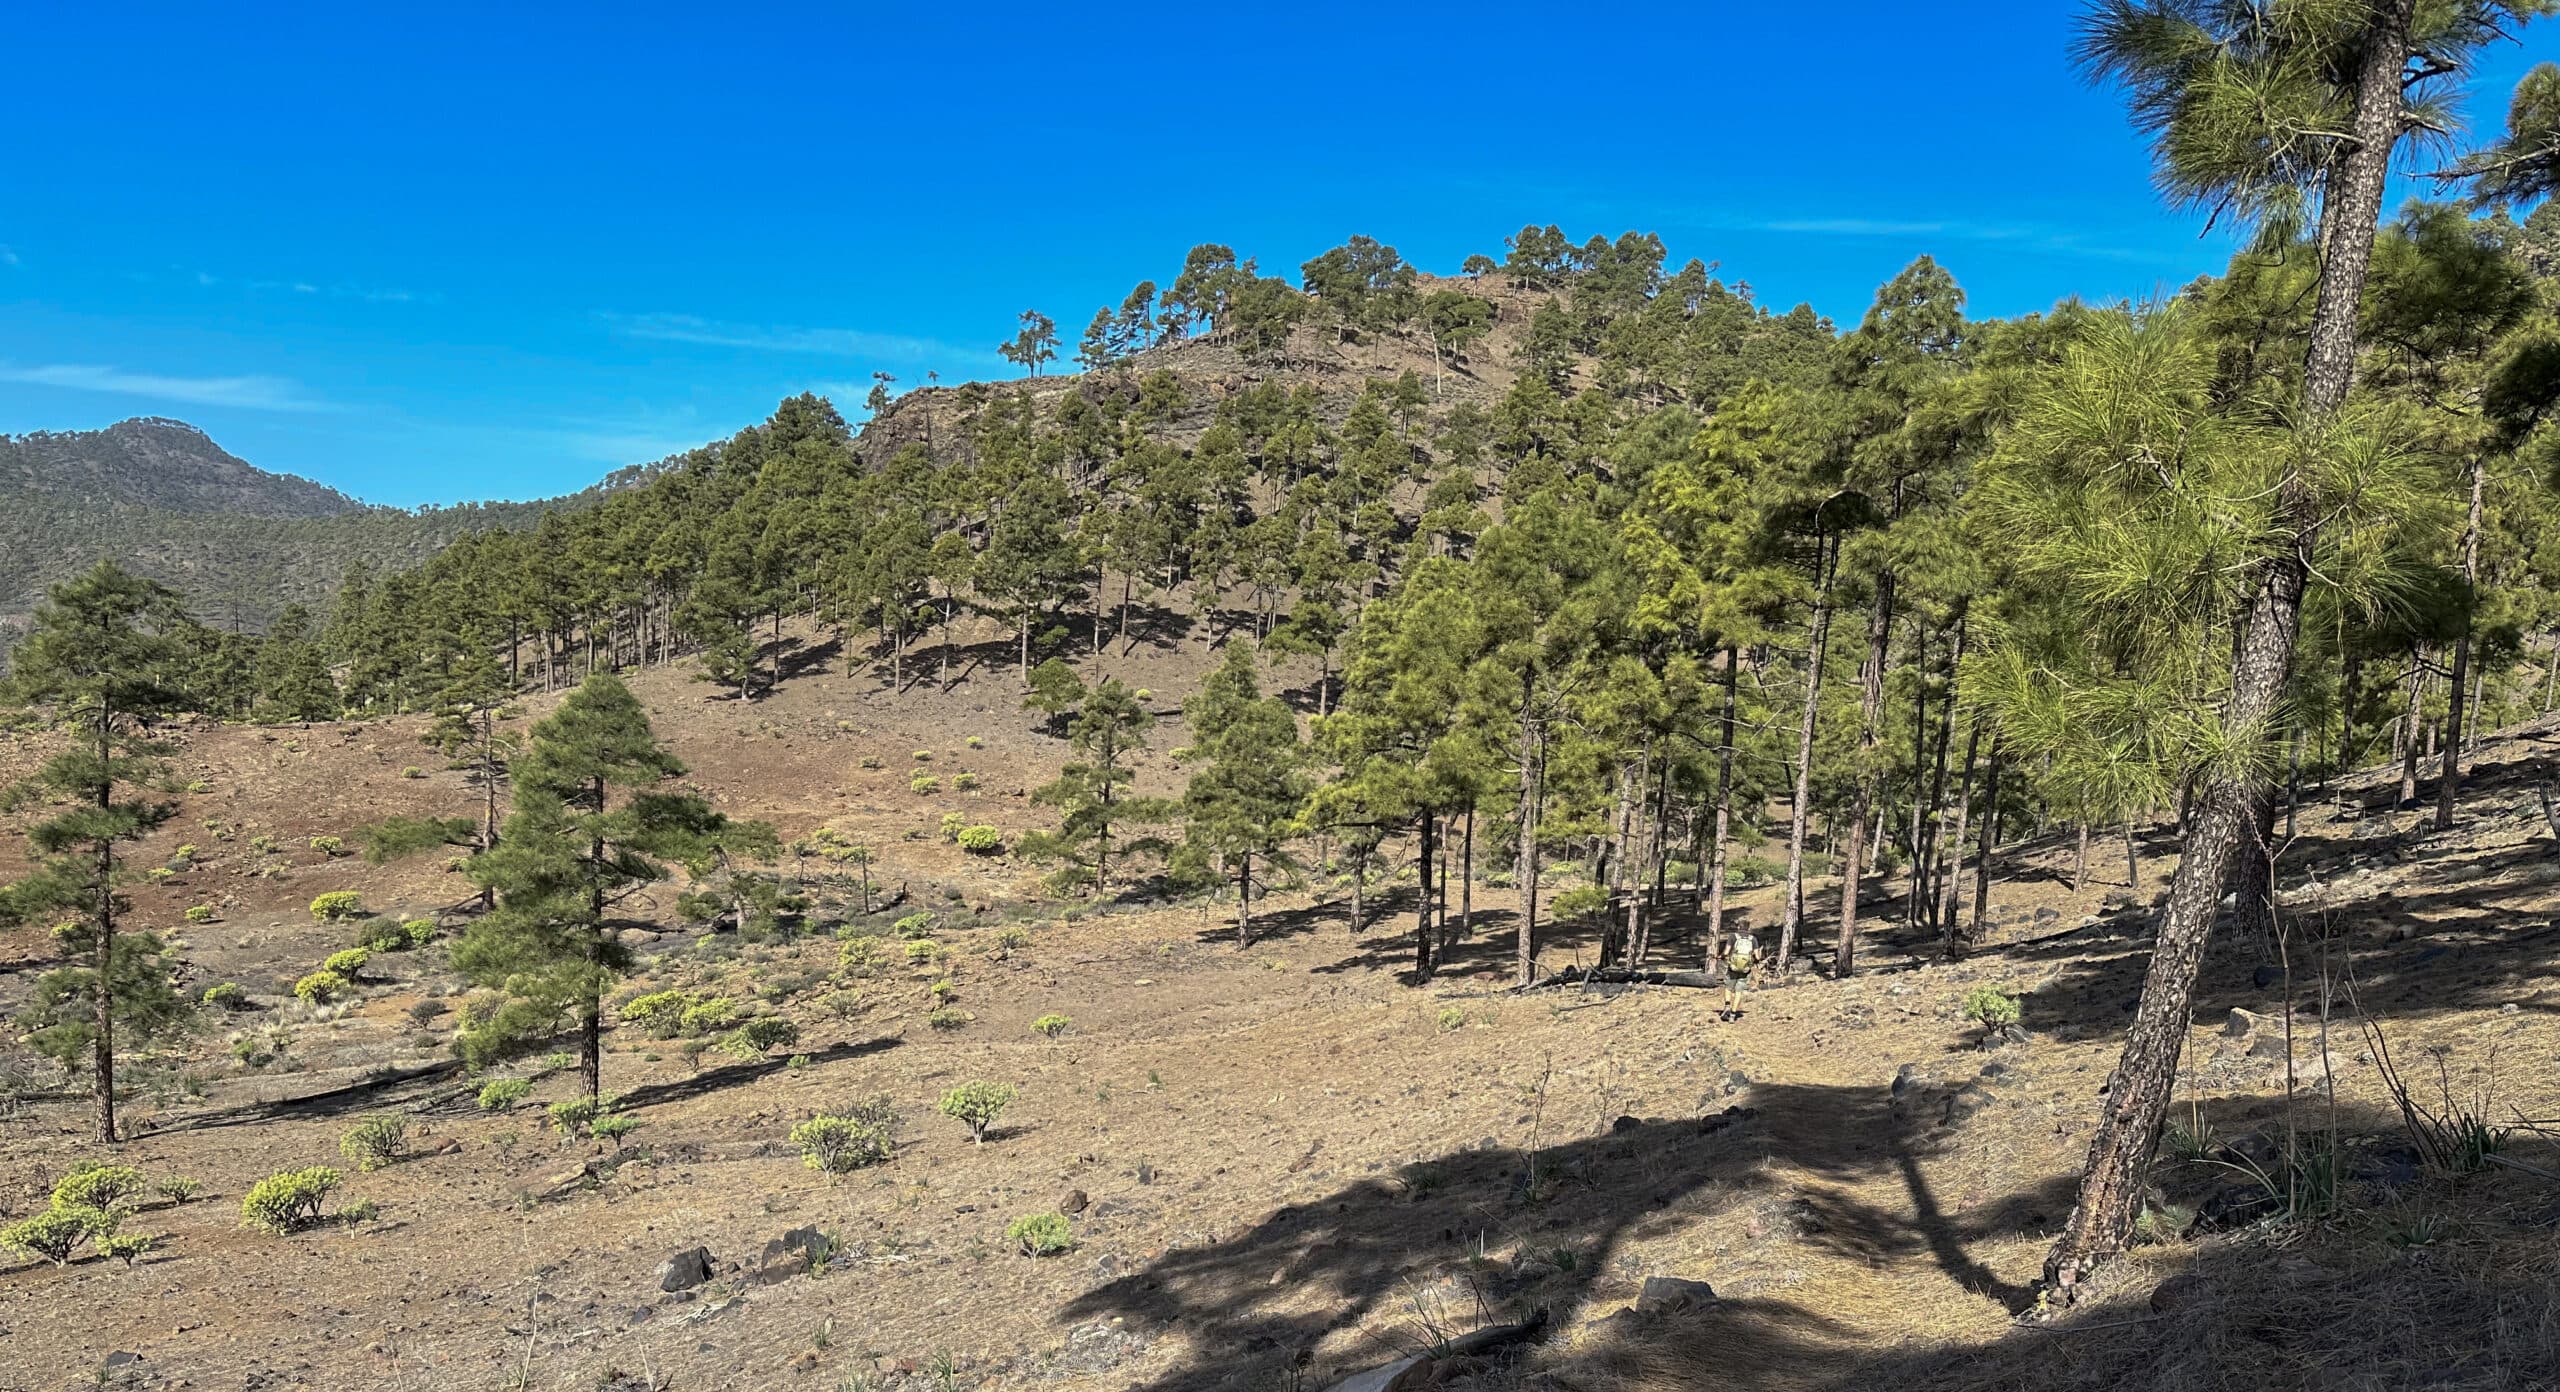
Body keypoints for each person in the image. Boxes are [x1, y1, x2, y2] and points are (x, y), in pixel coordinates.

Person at [1719, 930, 1756, 1022]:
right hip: (1745, 970)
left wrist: (1722, 956)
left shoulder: (1733, 936)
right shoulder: (1753, 939)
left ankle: (1727, 1006)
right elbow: (1758, 956)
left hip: (1733, 967)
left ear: (1739, 926)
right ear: (1748, 928)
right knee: (1738, 992)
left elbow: (1726, 952)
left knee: (1728, 987)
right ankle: (1732, 1015)